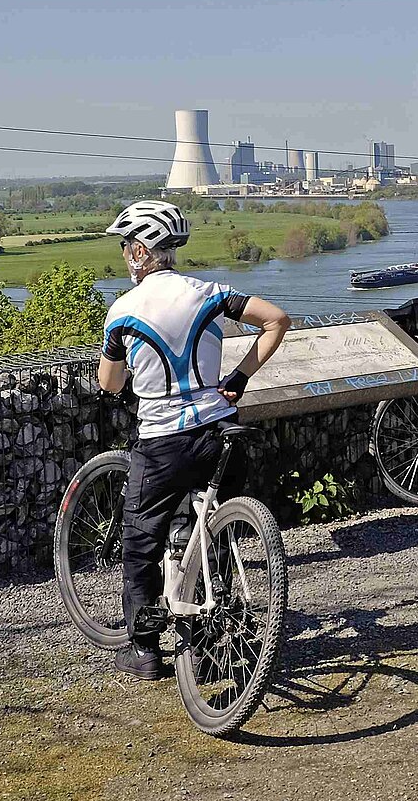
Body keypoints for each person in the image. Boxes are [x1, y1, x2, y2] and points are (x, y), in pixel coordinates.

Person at [97, 199, 290, 681]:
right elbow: (277, 320)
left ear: (142, 250)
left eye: (127, 247)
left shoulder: (122, 311)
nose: (125, 255)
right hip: (220, 429)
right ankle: (209, 646)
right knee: (214, 535)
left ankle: (144, 650)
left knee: (140, 540)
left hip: (163, 440)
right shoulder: (211, 292)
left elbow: (109, 384)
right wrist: (240, 377)